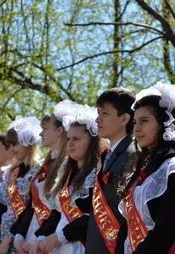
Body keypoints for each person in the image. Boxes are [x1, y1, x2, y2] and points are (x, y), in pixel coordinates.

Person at [116, 82, 175, 254]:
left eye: (144, 121)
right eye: (135, 122)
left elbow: (167, 228)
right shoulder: (139, 168)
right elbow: (127, 226)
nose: (136, 128)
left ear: (164, 123)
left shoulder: (172, 167)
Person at [37, 103, 103, 254]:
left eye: (76, 139)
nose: (70, 144)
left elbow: (95, 217)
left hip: (82, 246)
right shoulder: (66, 172)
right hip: (59, 247)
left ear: (92, 141)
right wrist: (41, 238)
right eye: (68, 139)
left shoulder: (97, 173)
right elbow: (57, 213)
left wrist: (59, 237)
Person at [11, 101, 71, 253]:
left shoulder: (67, 164)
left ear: (59, 131)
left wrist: (39, 237)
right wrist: (19, 234)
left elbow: (59, 209)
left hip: (49, 236)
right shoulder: (46, 164)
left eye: (45, 129)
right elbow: (33, 205)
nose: (40, 133)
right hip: (33, 232)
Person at [85, 88, 136, 254]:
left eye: (105, 114)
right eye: (98, 113)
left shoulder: (132, 153)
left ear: (124, 119)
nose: (97, 119)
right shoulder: (106, 155)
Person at [0, 117, 42, 254]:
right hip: (3, 239)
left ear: (28, 144)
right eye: (9, 145)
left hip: (23, 237)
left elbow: (30, 209)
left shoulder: (38, 171)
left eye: (15, 144)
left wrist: (8, 240)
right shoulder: (10, 172)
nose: (12, 149)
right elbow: (2, 207)